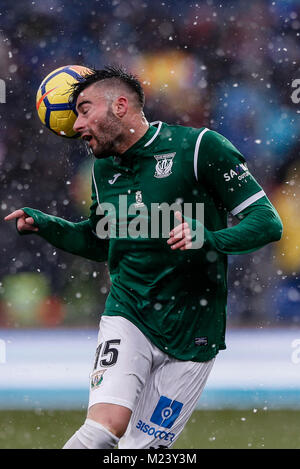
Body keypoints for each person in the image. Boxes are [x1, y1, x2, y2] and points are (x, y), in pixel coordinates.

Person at [4, 66, 283, 449]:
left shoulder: (200, 148)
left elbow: (267, 222)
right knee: (102, 430)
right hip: (128, 313)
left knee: (141, 450)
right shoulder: (104, 169)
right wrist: (48, 225)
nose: (75, 124)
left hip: (193, 329)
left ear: (120, 106)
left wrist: (210, 238)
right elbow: (103, 240)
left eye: (84, 110)